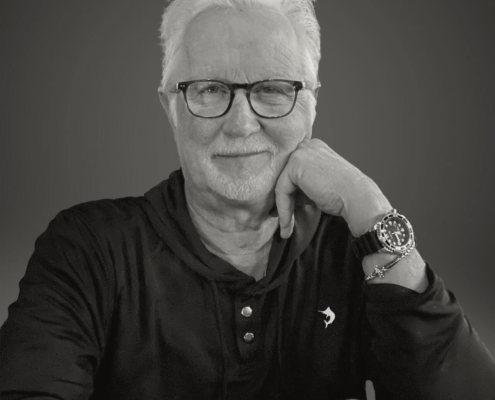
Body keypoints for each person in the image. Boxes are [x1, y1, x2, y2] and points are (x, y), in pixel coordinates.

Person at [1, 0, 494, 399]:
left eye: (273, 89)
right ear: (170, 107)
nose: (240, 124)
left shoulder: (355, 248)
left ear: (311, 104)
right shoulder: (87, 248)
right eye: (210, 89)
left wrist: (370, 206)